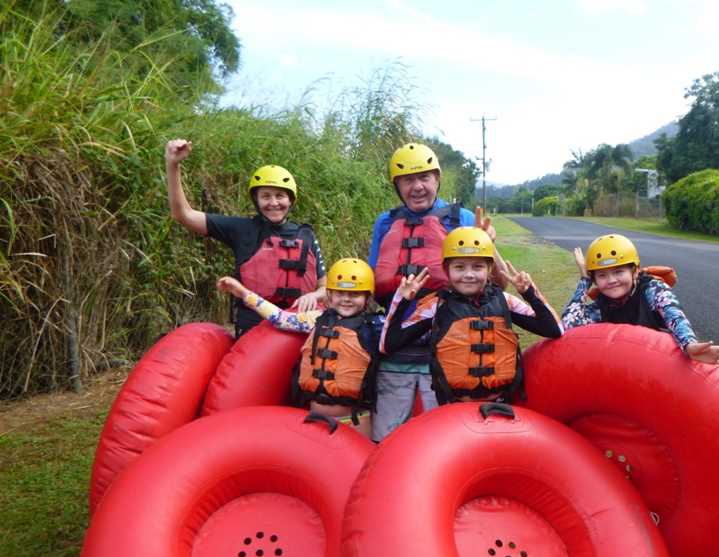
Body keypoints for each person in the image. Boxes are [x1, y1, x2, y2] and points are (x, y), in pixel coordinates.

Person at [369, 143, 505, 440]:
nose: (417, 187)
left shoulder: (463, 219)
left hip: (451, 341)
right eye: (408, 180)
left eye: (425, 178)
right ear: (397, 185)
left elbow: (498, 284)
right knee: (388, 434)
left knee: (443, 434)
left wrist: (490, 247)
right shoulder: (386, 222)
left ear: (437, 179)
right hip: (400, 339)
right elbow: (371, 280)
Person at [381, 227, 563, 406]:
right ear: (447, 270)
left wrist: (530, 293)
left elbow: (554, 330)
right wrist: (401, 300)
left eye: (478, 267)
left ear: (489, 269)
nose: (469, 275)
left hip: (501, 403)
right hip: (453, 406)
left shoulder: (505, 301)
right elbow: (389, 344)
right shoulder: (436, 306)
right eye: (459, 267)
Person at [166, 139, 327, 337]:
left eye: (280, 196)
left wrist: (314, 295)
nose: (274, 203)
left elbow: (325, 287)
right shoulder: (242, 229)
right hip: (254, 331)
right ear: (256, 200)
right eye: (266, 196)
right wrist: (173, 164)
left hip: (298, 327)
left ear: (290, 200)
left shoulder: (306, 235)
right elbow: (183, 214)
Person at [217, 258, 381, 438]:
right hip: (316, 419)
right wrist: (244, 294)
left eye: (355, 294)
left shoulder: (374, 327)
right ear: (329, 295)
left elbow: (398, 335)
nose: (346, 299)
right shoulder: (316, 319)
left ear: (367, 297)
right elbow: (281, 318)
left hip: (355, 421)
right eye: (340, 293)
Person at [561, 233, 719, 366]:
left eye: (619, 272)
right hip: (624, 367)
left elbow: (674, 314)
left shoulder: (652, 289)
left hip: (660, 363)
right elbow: (568, 324)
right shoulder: (601, 306)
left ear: (635, 271)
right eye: (602, 275)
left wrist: (689, 344)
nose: (611, 281)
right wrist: (584, 280)